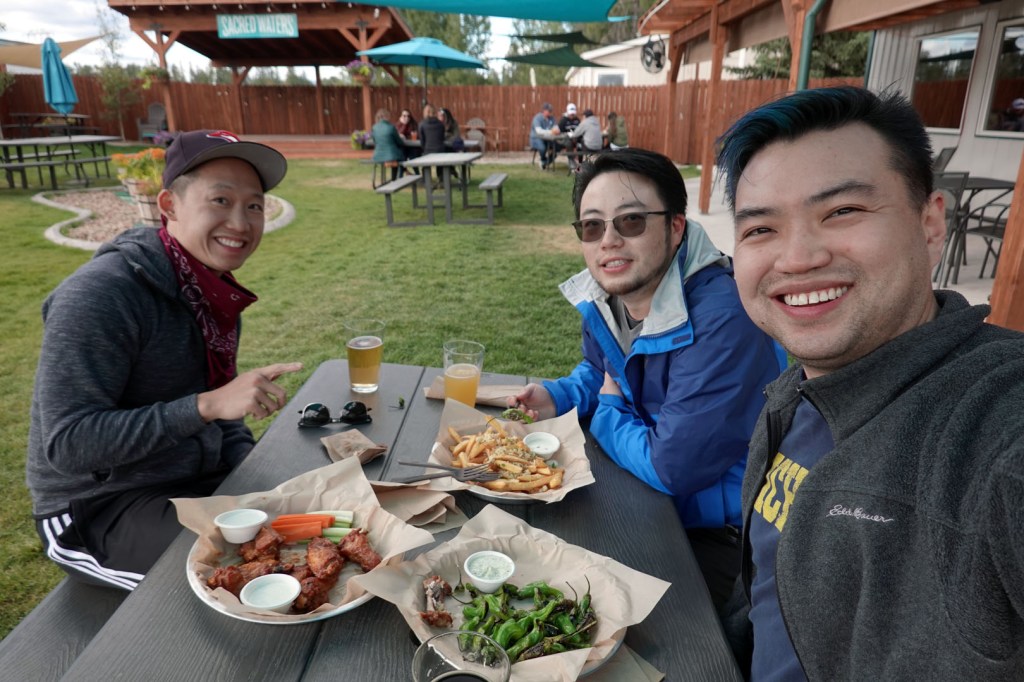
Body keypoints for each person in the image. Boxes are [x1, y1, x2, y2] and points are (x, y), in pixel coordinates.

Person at [716, 85, 1024, 680]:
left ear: (930, 223)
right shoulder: (795, 394)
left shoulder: (996, 424)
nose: (797, 258)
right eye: (761, 230)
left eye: (842, 212)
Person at [26, 130, 302, 590]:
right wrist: (204, 407)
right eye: (220, 200)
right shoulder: (99, 296)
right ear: (169, 205)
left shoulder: (210, 290)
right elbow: (69, 445)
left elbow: (225, 409)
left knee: (302, 535)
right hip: (99, 506)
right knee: (247, 580)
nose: (240, 222)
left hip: (194, 478)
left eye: (254, 206)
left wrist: (248, 473)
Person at [509, 148, 785, 609]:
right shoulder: (611, 296)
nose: (608, 241)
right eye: (592, 226)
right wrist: (558, 395)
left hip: (719, 540)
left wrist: (609, 414)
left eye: (631, 221)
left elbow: (670, 466)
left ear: (675, 227)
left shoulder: (724, 317)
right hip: (645, 498)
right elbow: (603, 371)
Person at [370, 108, 406, 181]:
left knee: (396, 156)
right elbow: (399, 142)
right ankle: (394, 179)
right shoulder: (391, 127)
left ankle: (400, 175)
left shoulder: (374, 127)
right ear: (387, 116)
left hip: (377, 156)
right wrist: (402, 139)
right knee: (401, 155)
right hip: (392, 156)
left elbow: (375, 141)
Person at [528, 102, 557, 170]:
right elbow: (539, 131)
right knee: (542, 148)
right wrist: (551, 132)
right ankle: (543, 159)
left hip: (548, 138)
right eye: (549, 110)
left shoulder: (552, 118)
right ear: (544, 110)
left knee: (557, 148)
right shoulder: (537, 118)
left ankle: (545, 162)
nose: (550, 112)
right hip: (536, 138)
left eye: (551, 110)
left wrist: (556, 130)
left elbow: (556, 127)